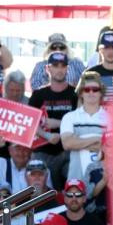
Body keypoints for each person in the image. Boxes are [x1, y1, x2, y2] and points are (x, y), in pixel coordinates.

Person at [28, 51, 78, 188]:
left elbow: (80, 124)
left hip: (68, 151)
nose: (59, 69)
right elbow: (30, 123)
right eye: (55, 65)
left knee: (75, 182)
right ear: (47, 69)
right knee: (35, 174)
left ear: (67, 68)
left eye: (63, 65)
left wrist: (59, 124)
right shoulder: (38, 95)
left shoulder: (75, 94)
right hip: (43, 152)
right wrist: (47, 135)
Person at [60, 72, 108, 181]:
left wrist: (78, 142)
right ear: (81, 93)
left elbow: (111, 149)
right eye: (87, 89)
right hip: (76, 183)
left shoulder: (111, 119)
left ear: (101, 92)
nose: (91, 92)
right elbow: (67, 144)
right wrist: (98, 139)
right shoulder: (69, 117)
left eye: (95, 89)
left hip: (103, 183)